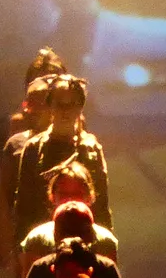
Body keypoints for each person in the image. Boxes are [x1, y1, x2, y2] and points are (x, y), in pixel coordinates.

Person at [13, 74, 111, 231]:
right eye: (60, 104)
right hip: (43, 243)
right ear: (50, 105)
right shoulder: (33, 149)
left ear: (80, 107)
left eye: (71, 104)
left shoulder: (91, 150)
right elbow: (23, 209)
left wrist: (105, 247)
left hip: (85, 242)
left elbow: (102, 208)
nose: (65, 111)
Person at [0, 77, 57, 267]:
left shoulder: (74, 142)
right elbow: (4, 199)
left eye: (38, 104)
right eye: (29, 104)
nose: (28, 110)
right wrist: (2, 242)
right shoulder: (15, 144)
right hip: (26, 238)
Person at [22, 170, 120, 260]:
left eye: (77, 194)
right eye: (63, 194)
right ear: (52, 197)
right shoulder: (37, 240)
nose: (70, 200)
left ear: (89, 197)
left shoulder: (105, 241)